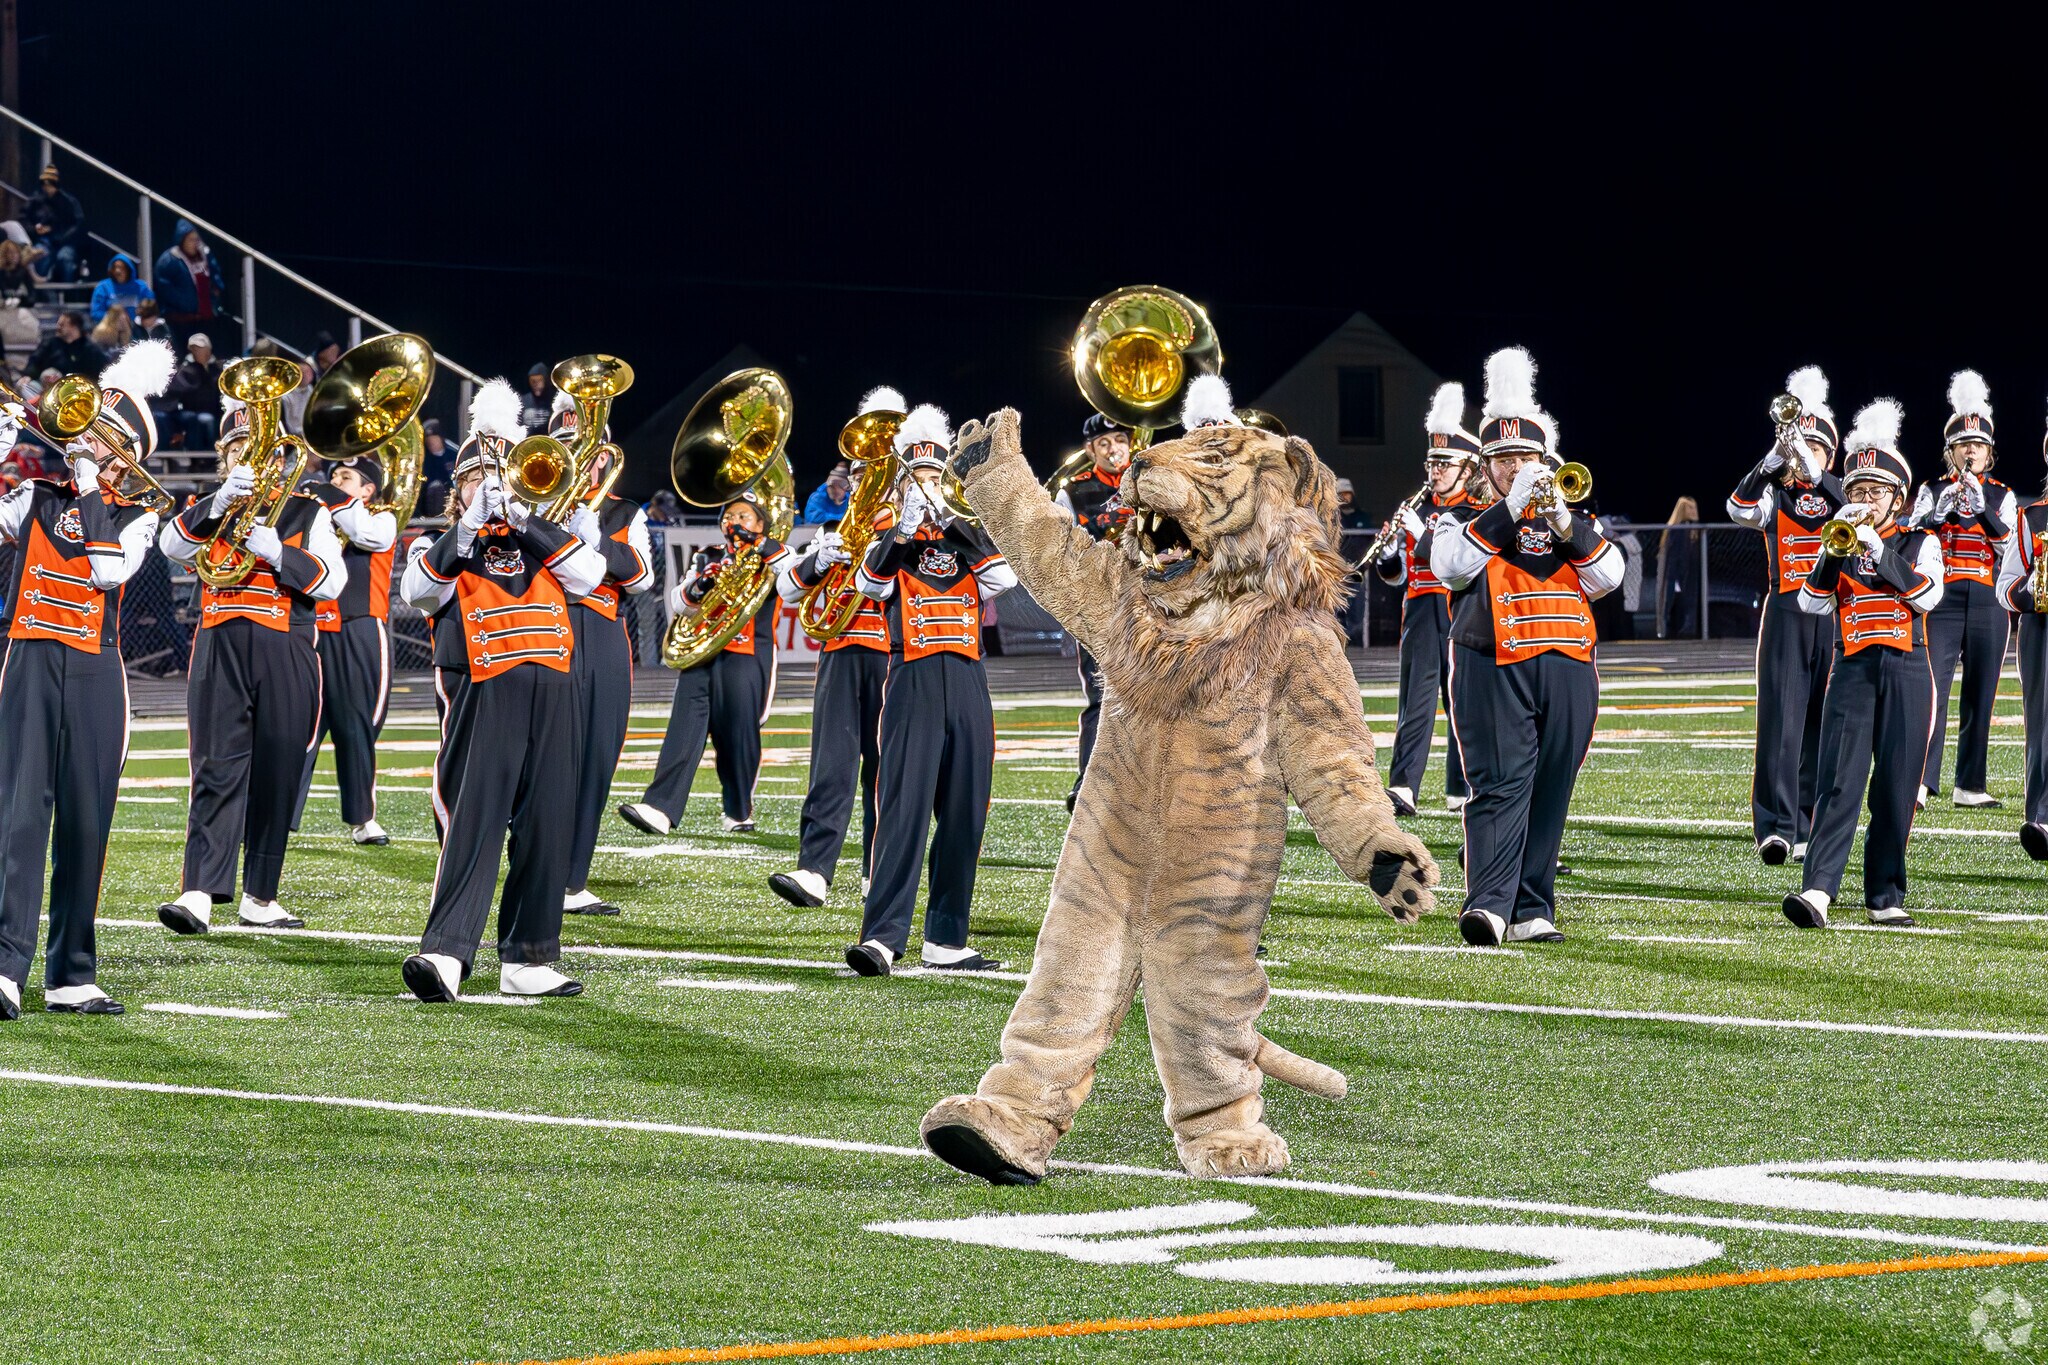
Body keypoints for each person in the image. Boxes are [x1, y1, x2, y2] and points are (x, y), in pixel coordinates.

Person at [397, 379, 606, 1002]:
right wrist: (469, 526)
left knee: (548, 821)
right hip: (484, 690)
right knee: (474, 821)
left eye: (501, 479)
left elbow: (590, 576)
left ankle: (529, 957)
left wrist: (527, 520)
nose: (488, 489)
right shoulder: (441, 546)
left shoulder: (550, 536)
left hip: (553, 687)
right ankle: (446, 954)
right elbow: (418, 592)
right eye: (473, 481)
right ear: (455, 490)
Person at [1430, 347, 1622, 947]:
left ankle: (1533, 904)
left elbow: (1609, 577)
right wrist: (1509, 512)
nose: (1515, 469)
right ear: (1485, 467)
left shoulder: (1570, 516)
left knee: (1552, 784)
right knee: (1500, 781)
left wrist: (1565, 522)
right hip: (1493, 661)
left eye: (1524, 458)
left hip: (1567, 663)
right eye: (1503, 460)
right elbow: (1451, 567)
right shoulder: (1459, 519)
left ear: (1545, 459)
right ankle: (1489, 903)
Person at [0, 341, 169, 1018]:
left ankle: (71, 971)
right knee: (16, 814)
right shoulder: (33, 495)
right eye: (87, 431)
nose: (87, 442)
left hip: (98, 671)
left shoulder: (139, 515)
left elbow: (106, 570)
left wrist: (94, 488)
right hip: (30, 658)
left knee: (86, 821)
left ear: (127, 455)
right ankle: (6, 964)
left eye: (103, 438)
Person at [154, 400, 348, 934]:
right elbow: (170, 545)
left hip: (287, 643)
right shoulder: (208, 506)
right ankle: (197, 891)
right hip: (219, 638)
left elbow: (333, 583)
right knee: (215, 766)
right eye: (237, 448)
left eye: (257, 448)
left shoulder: (309, 511)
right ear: (224, 456)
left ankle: (260, 897)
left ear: (277, 458)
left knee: (279, 769)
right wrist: (218, 502)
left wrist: (279, 554)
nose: (248, 455)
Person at [843, 404, 1018, 976]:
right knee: (903, 806)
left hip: (967, 677)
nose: (927, 485)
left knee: (966, 809)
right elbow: (869, 585)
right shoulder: (889, 534)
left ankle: (946, 937)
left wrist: (952, 520)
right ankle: (883, 937)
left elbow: (1002, 580)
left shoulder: (969, 530)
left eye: (935, 476)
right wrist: (901, 530)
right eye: (919, 476)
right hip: (913, 675)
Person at [1783, 399, 1945, 929]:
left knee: (1897, 787)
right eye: (1855, 491)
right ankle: (1818, 891)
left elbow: (1925, 597)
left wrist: (1881, 551)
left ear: (1897, 497)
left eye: (1875, 492)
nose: (1864, 500)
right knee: (1839, 782)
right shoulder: (1838, 544)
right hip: (1851, 671)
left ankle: (1885, 894)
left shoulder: (1923, 542)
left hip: (1907, 669)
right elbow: (1810, 602)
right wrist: (1834, 552)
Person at [768, 387, 903, 908]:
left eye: (878, 472)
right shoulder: (830, 528)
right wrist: (819, 561)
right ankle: (815, 870)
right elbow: (787, 591)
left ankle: (876, 871)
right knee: (831, 763)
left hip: (894, 654)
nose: (868, 480)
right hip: (843, 651)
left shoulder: (910, 530)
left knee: (885, 767)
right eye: (862, 472)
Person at [617, 485, 792, 837]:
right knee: (684, 725)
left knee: (738, 734)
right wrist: (699, 586)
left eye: (743, 516)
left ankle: (738, 810)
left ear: (761, 523)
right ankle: (661, 807)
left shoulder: (776, 556)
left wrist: (764, 547)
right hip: (702, 651)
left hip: (747, 653)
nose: (734, 522)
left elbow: (794, 584)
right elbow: (679, 602)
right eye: (729, 516)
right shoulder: (709, 555)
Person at [1726, 365, 1845, 864]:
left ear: (1829, 455)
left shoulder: (1845, 496)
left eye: (1814, 449)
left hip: (1835, 616)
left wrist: (1821, 478)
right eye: (1801, 449)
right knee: (1781, 722)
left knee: (1824, 723)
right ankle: (1775, 826)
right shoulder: (1776, 494)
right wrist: (1772, 459)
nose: (1805, 457)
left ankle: (1805, 823)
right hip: (1785, 612)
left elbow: (1848, 506)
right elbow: (1737, 508)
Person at [551, 396, 656, 917]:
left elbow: (641, 578)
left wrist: (598, 545)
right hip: (546, 630)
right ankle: (538, 864)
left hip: (603, 633)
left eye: (588, 447)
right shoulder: (532, 503)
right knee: (544, 755)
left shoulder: (623, 512)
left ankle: (572, 880)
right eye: (568, 444)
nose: (579, 455)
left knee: (596, 754)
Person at [1372, 382, 1480, 817]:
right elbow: (1398, 576)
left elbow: (1454, 560)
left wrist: (1419, 531)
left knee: (1462, 701)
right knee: (1413, 701)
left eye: (1444, 463)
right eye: (1431, 463)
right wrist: (1389, 554)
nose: (1434, 471)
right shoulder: (1418, 506)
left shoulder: (1474, 509)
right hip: (1419, 609)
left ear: (1467, 469)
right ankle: (1403, 787)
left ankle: (1461, 788)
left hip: (1459, 609)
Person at [1911, 370, 2016, 810]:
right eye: (1963, 444)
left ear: (1989, 453)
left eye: (1979, 444)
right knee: (1931, 688)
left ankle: (1969, 784)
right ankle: (1920, 779)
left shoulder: (2002, 493)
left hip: (1988, 598)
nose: (1971, 450)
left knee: (1981, 690)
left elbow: (2009, 542)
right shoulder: (1930, 489)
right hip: (1945, 597)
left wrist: (1981, 508)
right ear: (1950, 451)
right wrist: (1943, 508)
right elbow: (1914, 533)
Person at [289, 452, 399, 846]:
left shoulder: (381, 518)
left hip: (359, 629)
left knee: (358, 726)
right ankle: (283, 812)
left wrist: (327, 493)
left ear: (368, 489)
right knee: (302, 723)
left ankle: (362, 818)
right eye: (334, 474)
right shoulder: (316, 518)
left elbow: (371, 536)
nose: (336, 480)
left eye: (347, 477)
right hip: (313, 628)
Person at [1995, 447, 2048, 860]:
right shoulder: (2033, 518)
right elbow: (2005, 587)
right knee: (2044, 726)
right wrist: (2034, 588)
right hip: (2044, 630)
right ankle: (2043, 819)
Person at [152, 219, 227, 350]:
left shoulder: (205, 254)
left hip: (206, 317)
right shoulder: (169, 260)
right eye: (190, 240)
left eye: (196, 239)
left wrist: (216, 290)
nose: (194, 244)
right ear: (181, 240)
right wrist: (186, 304)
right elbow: (165, 288)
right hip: (181, 321)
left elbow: (216, 274)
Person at [22, 166, 84, 284]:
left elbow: (77, 223)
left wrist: (60, 235)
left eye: (50, 184)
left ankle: (67, 293)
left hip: (64, 241)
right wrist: (35, 229)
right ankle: (39, 292)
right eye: (44, 185)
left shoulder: (68, 201)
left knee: (64, 259)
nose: (47, 188)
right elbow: (24, 219)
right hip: (43, 240)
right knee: (39, 255)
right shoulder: (35, 200)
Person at [163, 333, 225, 451]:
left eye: (199, 348)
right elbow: (184, 390)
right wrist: (199, 368)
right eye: (194, 349)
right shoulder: (185, 369)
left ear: (208, 349)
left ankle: (214, 456)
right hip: (190, 410)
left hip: (218, 410)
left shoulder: (218, 368)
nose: (196, 351)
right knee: (204, 419)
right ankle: (202, 458)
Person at [1335, 477, 1373, 644]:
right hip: (1334, 573)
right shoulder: (1331, 518)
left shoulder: (1362, 517)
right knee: (1334, 610)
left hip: (1357, 572)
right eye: (1340, 494)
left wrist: (1365, 563)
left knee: (1357, 613)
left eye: (1347, 494)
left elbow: (1370, 542)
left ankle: (1356, 644)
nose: (1345, 497)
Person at [1656, 496, 1701, 637]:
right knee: (1675, 607)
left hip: (1687, 575)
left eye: (1694, 508)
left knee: (1685, 607)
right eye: (1690, 508)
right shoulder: (1678, 529)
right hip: (1677, 576)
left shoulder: (1693, 529)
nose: (1694, 511)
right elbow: (1675, 556)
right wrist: (1676, 578)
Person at [28, 313, 107, 379]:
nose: (57, 327)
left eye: (61, 325)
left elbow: (101, 371)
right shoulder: (50, 344)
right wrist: (29, 376)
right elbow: (35, 362)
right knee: (25, 386)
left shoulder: (90, 349)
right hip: (48, 388)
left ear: (74, 327)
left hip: (81, 390)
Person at [88, 253, 153, 326]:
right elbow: (96, 313)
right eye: (115, 267)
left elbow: (151, 307)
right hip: (111, 328)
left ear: (129, 269)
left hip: (137, 328)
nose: (118, 271)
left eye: (122, 268)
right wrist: (115, 318)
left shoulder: (141, 287)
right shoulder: (103, 287)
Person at [419, 418, 455, 486]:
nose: (431, 444)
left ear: (441, 438)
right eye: (428, 442)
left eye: (434, 440)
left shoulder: (453, 455)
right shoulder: (425, 461)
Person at [518, 363, 552, 432]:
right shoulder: (522, 401)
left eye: (539, 380)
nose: (536, 384)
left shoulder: (555, 401)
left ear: (546, 380)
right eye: (533, 381)